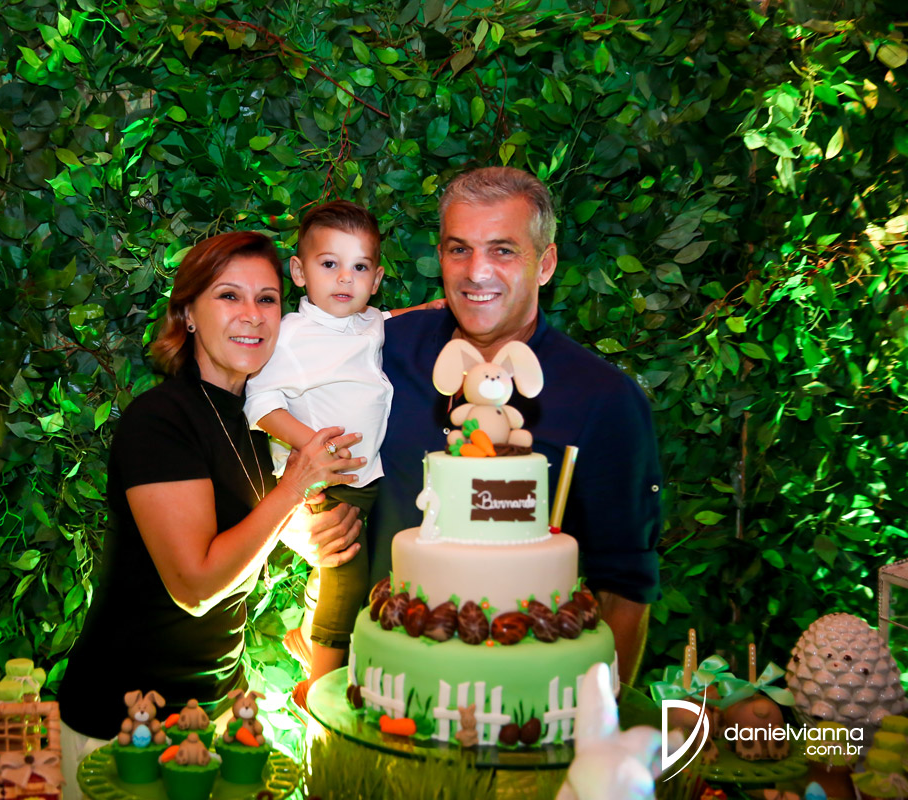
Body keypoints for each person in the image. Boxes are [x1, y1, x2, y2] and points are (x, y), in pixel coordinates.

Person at [57, 231, 363, 784]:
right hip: (127, 724)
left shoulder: (250, 421)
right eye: (228, 296)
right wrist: (294, 487)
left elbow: (240, 523)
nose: (252, 315)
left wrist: (302, 533)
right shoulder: (161, 421)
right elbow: (196, 587)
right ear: (189, 314)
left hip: (213, 712)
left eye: (267, 299)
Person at [367, 167, 663, 684]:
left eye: (502, 251)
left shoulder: (604, 399)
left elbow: (625, 588)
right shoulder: (383, 352)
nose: (476, 272)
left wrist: (592, 718)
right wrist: (308, 518)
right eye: (459, 249)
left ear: (545, 264)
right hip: (386, 679)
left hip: (526, 694)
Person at [243, 201, 392, 703]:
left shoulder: (369, 323)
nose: (345, 278)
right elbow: (259, 402)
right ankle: (320, 691)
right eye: (330, 264)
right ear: (300, 271)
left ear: (376, 279)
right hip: (322, 483)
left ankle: (311, 636)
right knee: (344, 576)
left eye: (360, 267)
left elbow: (392, 319)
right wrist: (311, 446)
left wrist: (433, 309)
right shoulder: (290, 335)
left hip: (367, 478)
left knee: (367, 580)